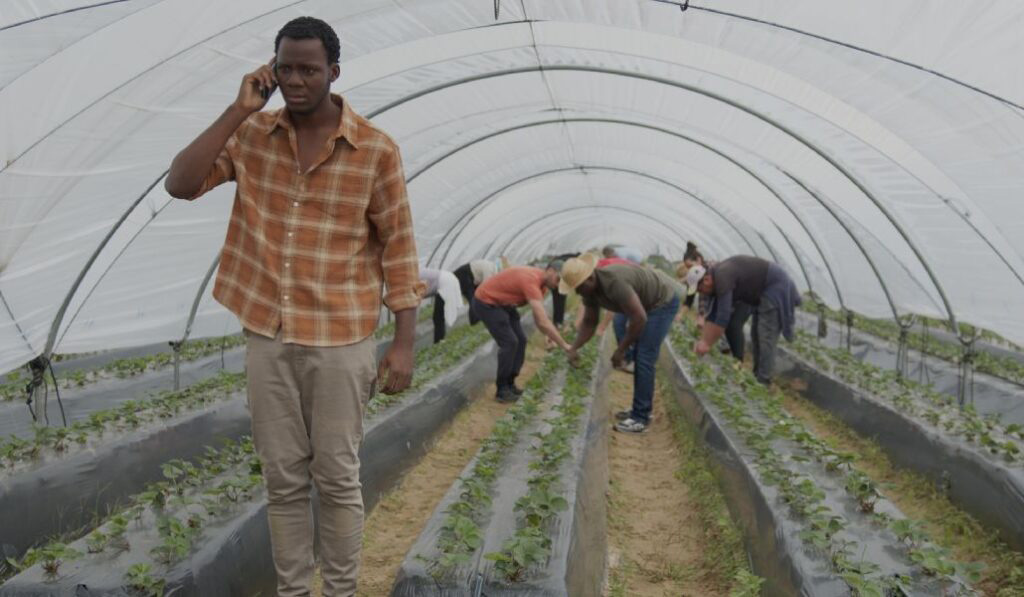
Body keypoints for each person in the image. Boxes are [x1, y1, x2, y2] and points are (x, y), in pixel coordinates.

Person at [164, 17, 421, 596]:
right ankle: (293, 592)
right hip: (269, 334)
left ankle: (340, 590)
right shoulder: (253, 136)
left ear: (334, 72)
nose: (297, 79)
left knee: (335, 477)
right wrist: (238, 110)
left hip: (341, 340)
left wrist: (403, 343)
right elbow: (180, 183)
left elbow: (400, 247)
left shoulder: (375, 150)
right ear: (271, 71)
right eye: (287, 68)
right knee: (282, 480)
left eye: (310, 69)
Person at [562, 254, 683, 433]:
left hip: (661, 301)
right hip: (645, 303)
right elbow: (589, 322)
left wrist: (621, 350)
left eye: (579, 288)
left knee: (644, 356)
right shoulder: (589, 290)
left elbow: (639, 318)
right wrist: (573, 348)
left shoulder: (614, 283)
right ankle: (639, 408)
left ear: (590, 278)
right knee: (639, 353)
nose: (578, 292)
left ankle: (640, 417)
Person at [691, 255, 802, 385]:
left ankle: (763, 382)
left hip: (776, 288)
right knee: (756, 335)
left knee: (766, 338)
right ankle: (757, 378)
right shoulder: (717, 276)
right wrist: (703, 340)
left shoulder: (722, 276)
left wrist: (707, 344)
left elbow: (723, 316)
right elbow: (713, 315)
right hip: (763, 292)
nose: (701, 293)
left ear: (706, 280)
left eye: (700, 289)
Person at [472, 263, 573, 402]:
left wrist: (547, 335)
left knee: (521, 340)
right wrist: (564, 345)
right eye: (558, 279)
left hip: (504, 304)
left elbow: (540, 318)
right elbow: (543, 321)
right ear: (550, 270)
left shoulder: (542, 287)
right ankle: (501, 390)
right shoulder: (530, 280)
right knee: (510, 343)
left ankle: (510, 383)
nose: (557, 285)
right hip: (486, 302)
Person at [419, 268, 462, 343]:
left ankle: (440, 341)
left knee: (438, 316)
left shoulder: (411, 277)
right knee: (438, 316)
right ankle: (439, 340)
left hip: (446, 283)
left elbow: (415, 296)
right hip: (446, 280)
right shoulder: (412, 273)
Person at [452, 258, 500, 324]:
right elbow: (486, 285)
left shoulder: (492, 270)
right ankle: (474, 320)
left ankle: (477, 317)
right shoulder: (489, 269)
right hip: (464, 275)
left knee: (475, 298)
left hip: (470, 276)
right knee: (473, 298)